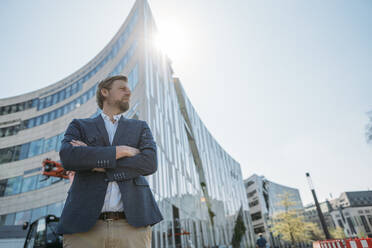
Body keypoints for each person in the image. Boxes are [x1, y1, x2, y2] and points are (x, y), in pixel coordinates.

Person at [56, 75, 163, 248]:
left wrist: (95, 161)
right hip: (83, 229)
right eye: (122, 88)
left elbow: (149, 163)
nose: (129, 91)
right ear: (105, 92)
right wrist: (122, 151)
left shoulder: (140, 127)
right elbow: (69, 157)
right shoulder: (79, 126)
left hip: (132, 227)